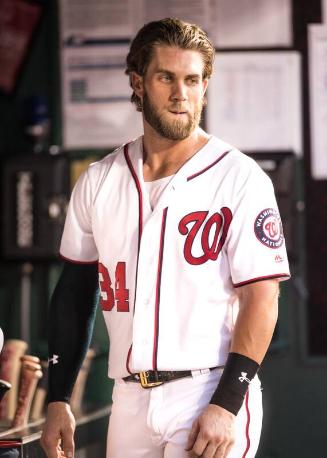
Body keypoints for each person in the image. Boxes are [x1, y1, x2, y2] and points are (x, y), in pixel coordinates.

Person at [41, 18, 290, 458]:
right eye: (166, 78)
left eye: (193, 80)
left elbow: (262, 299)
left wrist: (227, 404)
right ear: (138, 83)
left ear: (205, 86)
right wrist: (58, 397)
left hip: (208, 388)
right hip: (130, 398)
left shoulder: (239, 177)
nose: (181, 94)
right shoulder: (99, 181)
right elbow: (75, 293)